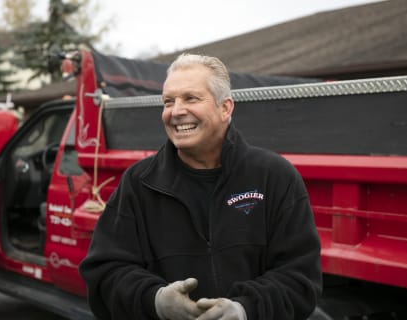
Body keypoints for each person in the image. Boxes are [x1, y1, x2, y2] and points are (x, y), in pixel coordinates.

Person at [79, 53, 322, 320]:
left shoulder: (274, 177)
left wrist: (244, 310)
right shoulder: (139, 184)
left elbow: (300, 278)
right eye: (168, 101)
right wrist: (156, 301)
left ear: (225, 108)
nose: (176, 111)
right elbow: (104, 273)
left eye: (191, 98)